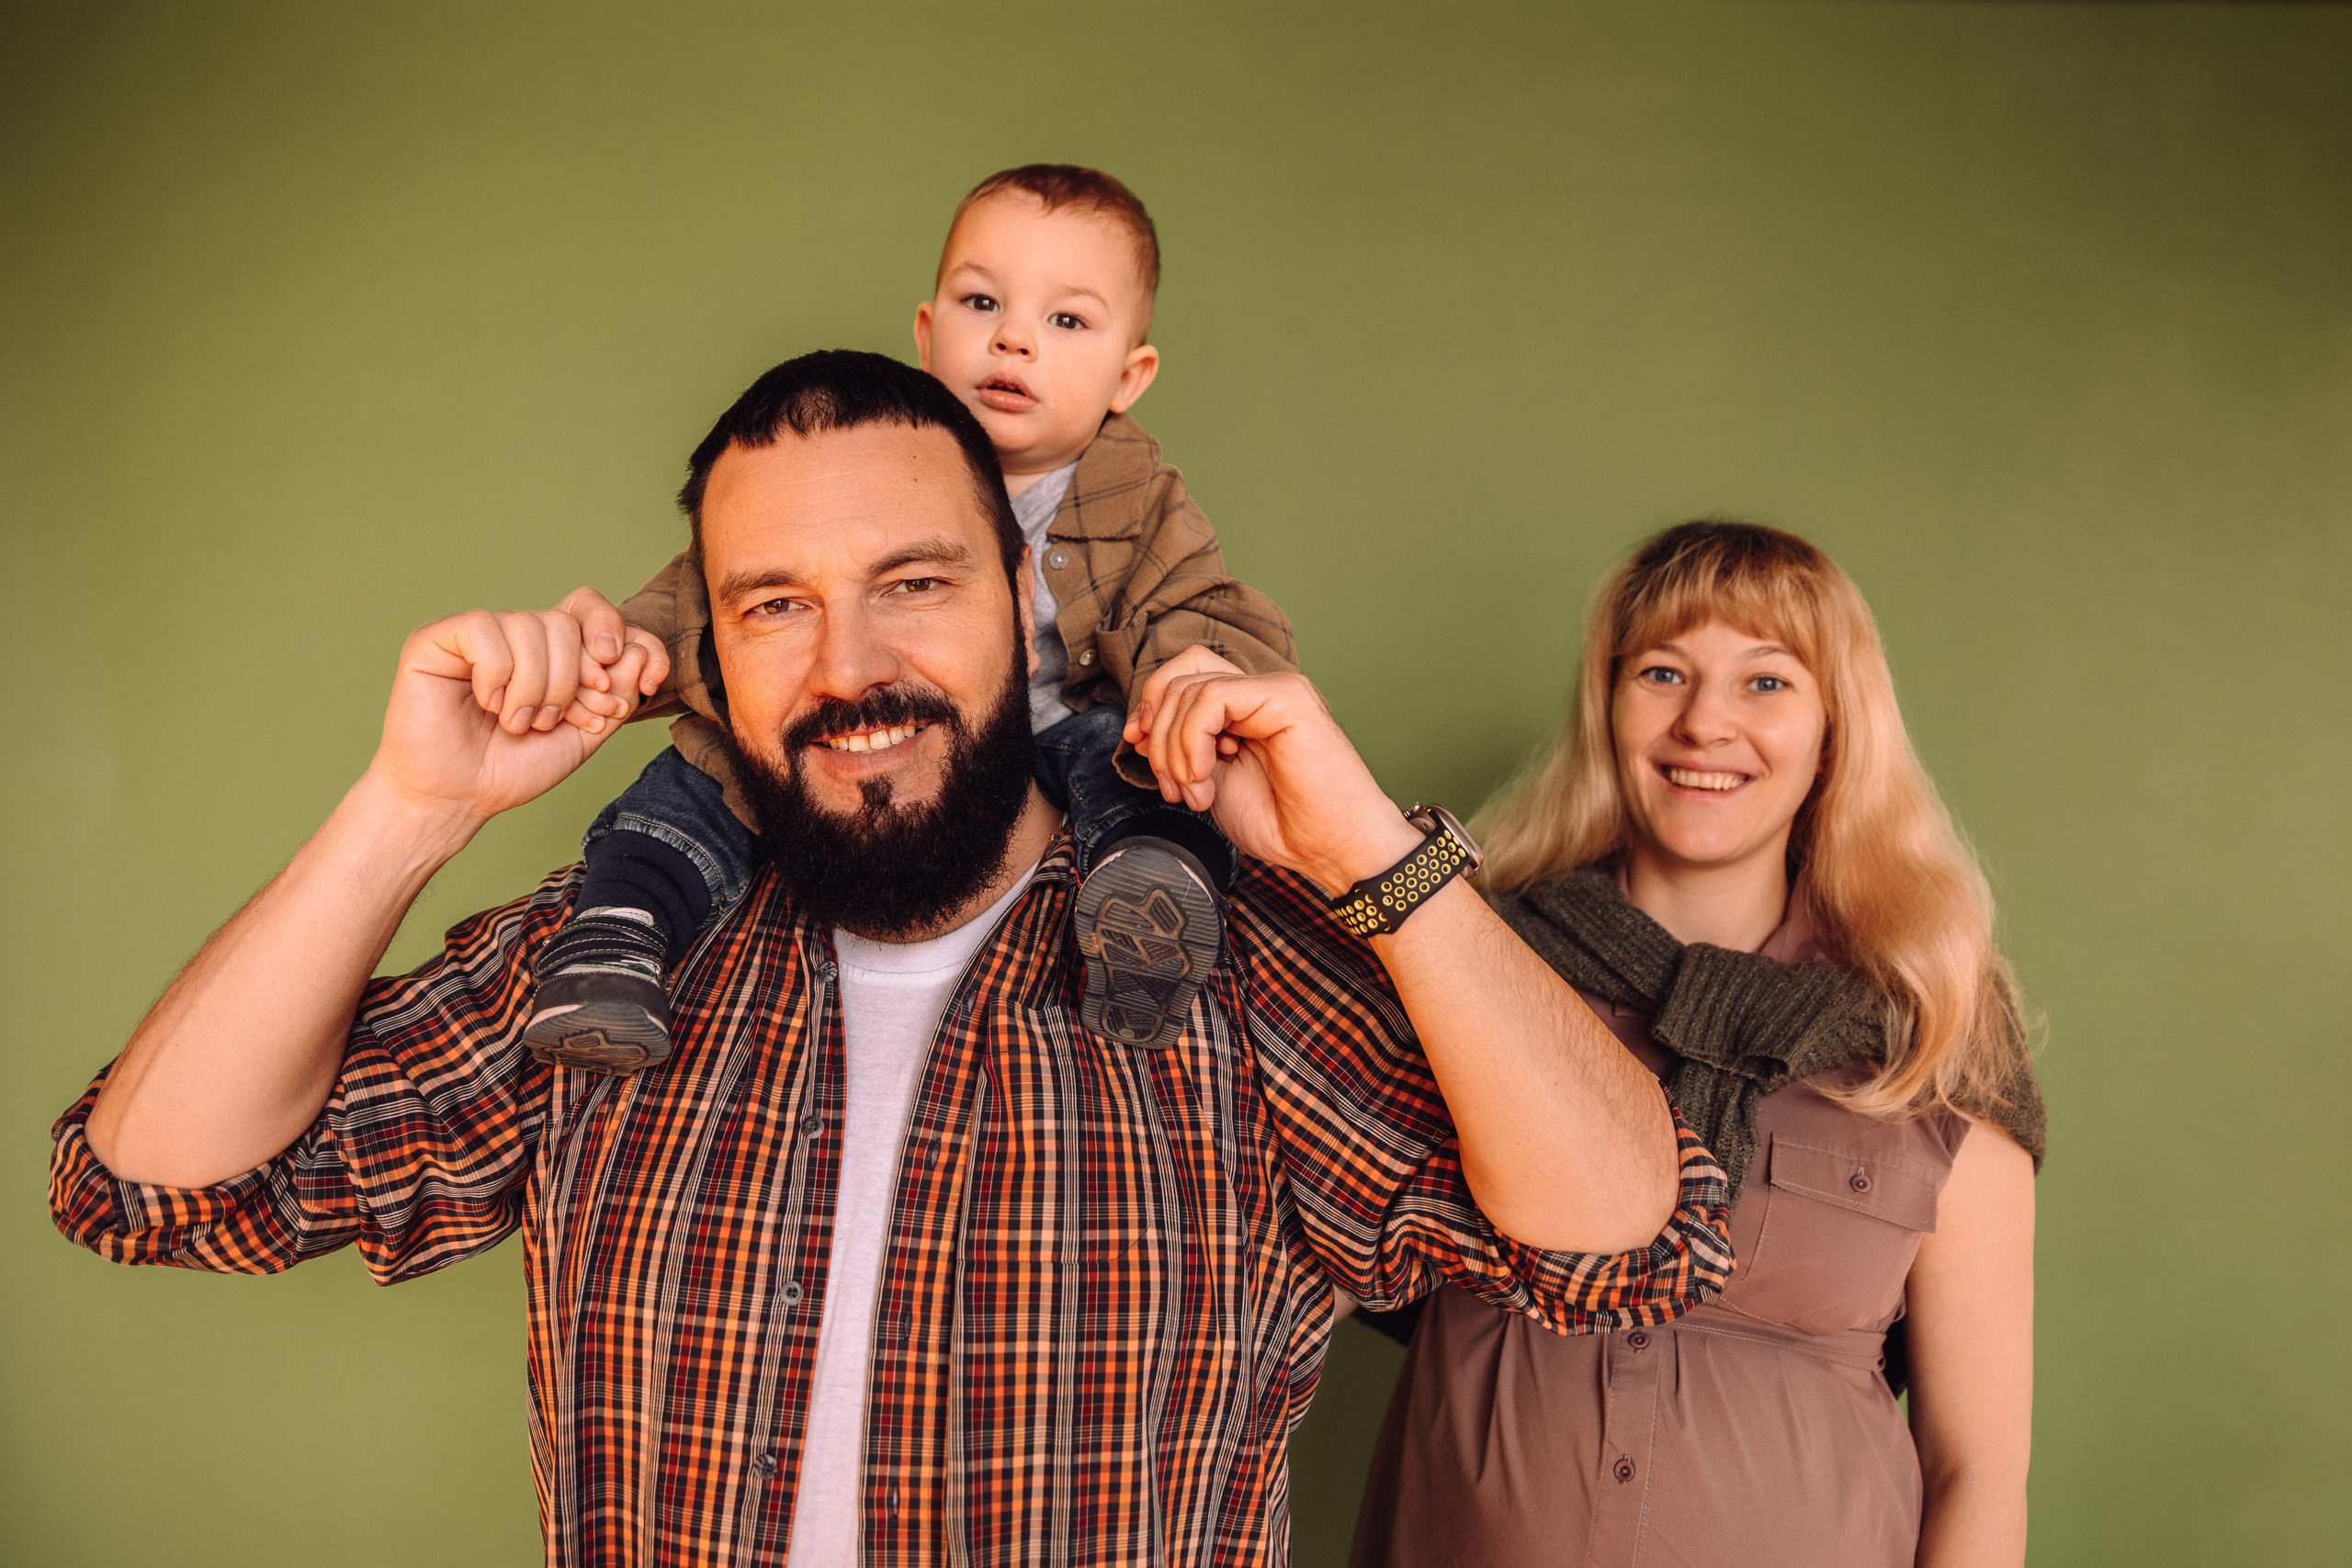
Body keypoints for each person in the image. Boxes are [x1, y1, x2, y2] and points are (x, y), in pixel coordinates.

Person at [51, 351, 1734, 1566]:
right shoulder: (615, 960)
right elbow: (153, 1184)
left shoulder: (1221, 969)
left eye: (912, 582)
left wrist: (1370, 852)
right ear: (709, 645)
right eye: (774, 603)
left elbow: (1625, 1241)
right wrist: (410, 809)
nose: (850, 665)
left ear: (1023, 595)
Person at [1349, 522, 2045, 1568]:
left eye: (1765, 683)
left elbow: (1976, 1474)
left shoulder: (1930, 1021)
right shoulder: (1469, 956)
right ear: (1608, 704)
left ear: (1833, 727)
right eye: (1663, 673)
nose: (1704, 723)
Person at [526, 164, 1293, 1067]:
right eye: (981, 303)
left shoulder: (1137, 499)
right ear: (926, 334)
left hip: (1048, 747)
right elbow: (706, 591)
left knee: (1135, 762)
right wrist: (615, 654)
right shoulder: (861, 460)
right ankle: (614, 938)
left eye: (1066, 321)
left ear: (1130, 376)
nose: (1013, 341)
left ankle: (1146, 900)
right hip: (856, 762)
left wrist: (1196, 675)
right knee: (696, 774)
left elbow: (1193, 602)